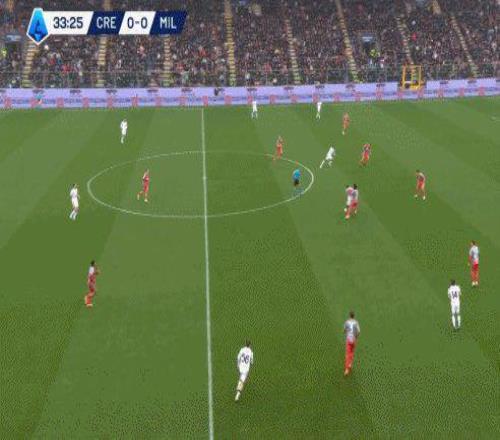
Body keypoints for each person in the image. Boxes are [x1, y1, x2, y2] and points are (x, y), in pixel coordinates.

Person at [344, 311, 360, 376]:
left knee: (347, 354)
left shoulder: (347, 322)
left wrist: (346, 333)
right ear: (354, 316)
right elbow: (358, 332)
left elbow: (344, 330)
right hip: (353, 340)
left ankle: (347, 369)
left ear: (349, 316)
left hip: (348, 339)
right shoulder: (356, 323)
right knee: (352, 352)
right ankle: (350, 364)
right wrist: (356, 337)